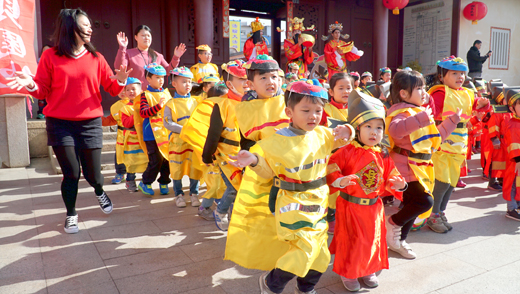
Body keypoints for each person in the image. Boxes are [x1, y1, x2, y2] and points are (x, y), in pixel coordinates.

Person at [7, 8, 131, 234]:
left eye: (89, 24)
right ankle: (71, 214)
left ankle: (99, 191)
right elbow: (42, 91)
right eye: (85, 25)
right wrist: (30, 83)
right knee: (71, 173)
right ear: (70, 27)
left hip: (90, 122)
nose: (90, 28)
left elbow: (112, 88)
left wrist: (121, 81)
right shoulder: (50, 56)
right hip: (60, 124)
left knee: (93, 175)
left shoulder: (96, 58)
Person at [228, 81, 354, 294]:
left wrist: (347, 129)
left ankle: (306, 288)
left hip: (318, 202)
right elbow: (268, 173)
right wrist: (253, 160)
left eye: (317, 110)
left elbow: (346, 138)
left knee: (321, 252)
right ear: (289, 112)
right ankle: (272, 283)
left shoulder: (323, 134)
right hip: (291, 203)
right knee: (304, 248)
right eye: (305, 110)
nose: (312, 116)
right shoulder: (276, 141)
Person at [327, 89, 406, 292]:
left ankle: (367, 269)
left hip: (373, 207)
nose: (374, 132)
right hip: (349, 205)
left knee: (372, 239)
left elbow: (391, 175)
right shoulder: (346, 151)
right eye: (368, 126)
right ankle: (348, 272)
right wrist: (338, 181)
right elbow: (331, 167)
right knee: (351, 241)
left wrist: (399, 184)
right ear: (357, 128)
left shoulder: (383, 154)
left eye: (379, 128)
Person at [385, 70, 460, 259]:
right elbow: (395, 131)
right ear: (403, 93)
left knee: (413, 204)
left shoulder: (419, 112)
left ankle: (399, 240)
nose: (423, 92)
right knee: (424, 201)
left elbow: (436, 137)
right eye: (419, 88)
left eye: (423, 88)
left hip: (420, 166)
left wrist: (452, 121)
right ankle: (393, 223)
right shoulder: (400, 111)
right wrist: (421, 118)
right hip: (405, 166)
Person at [426, 56, 490, 233]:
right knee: (441, 181)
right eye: (454, 73)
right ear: (442, 76)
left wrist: (482, 104)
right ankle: (433, 215)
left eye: (462, 73)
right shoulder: (439, 93)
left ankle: (440, 211)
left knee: (452, 182)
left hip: (460, 144)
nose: (460, 77)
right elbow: (430, 114)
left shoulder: (467, 92)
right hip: (441, 143)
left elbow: (474, 107)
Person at [180, 60, 249, 221]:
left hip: (244, 154)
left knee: (237, 186)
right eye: (241, 79)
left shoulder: (252, 103)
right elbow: (213, 133)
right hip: (225, 155)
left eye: (248, 78)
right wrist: (207, 154)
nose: (246, 83)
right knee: (232, 186)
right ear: (229, 83)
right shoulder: (221, 104)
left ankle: (232, 214)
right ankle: (221, 212)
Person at [163, 66, 202, 207]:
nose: (188, 85)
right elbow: (168, 123)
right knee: (176, 168)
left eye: (190, 82)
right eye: (184, 81)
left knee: (195, 167)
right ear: (174, 84)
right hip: (178, 142)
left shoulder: (197, 102)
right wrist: (185, 130)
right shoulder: (170, 103)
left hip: (194, 141)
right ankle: (178, 194)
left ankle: (194, 193)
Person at [134, 63, 172, 196]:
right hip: (151, 133)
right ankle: (145, 182)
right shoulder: (145, 95)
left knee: (167, 158)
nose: (161, 80)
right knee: (155, 160)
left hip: (165, 132)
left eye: (162, 77)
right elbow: (143, 113)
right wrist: (158, 106)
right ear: (148, 79)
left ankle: (164, 182)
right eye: (157, 77)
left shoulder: (166, 93)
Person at [115, 25, 186, 88]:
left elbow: (168, 71)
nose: (146, 38)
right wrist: (122, 48)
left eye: (148, 36)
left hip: (154, 95)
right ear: (136, 37)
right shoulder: (128, 53)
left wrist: (176, 57)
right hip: (135, 95)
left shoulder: (158, 56)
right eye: (143, 35)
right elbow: (119, 68)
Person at [106, 78, 145, 191]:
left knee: (145, 160)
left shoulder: (146, 102)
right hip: (127, 137)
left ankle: (145, 181)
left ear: (140, 90)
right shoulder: (123, 107)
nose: (128, 92)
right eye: (127, 89)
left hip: (142, 137)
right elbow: (118, 121)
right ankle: (127, 179)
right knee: (129, 160)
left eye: (133, 89)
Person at [502, 88, 520, 220]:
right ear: (512, 108)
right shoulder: (513, 124)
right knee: (512, 184)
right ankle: (511, 208)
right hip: (516, 162)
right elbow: (513, 143)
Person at [36, 45, 52, 119]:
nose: (45, 52)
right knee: (41, 99)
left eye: (47, 50)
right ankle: (41, 112)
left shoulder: (53, 59)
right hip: (42, 83)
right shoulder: (39, 60)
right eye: (44, 50)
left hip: (51, 84)